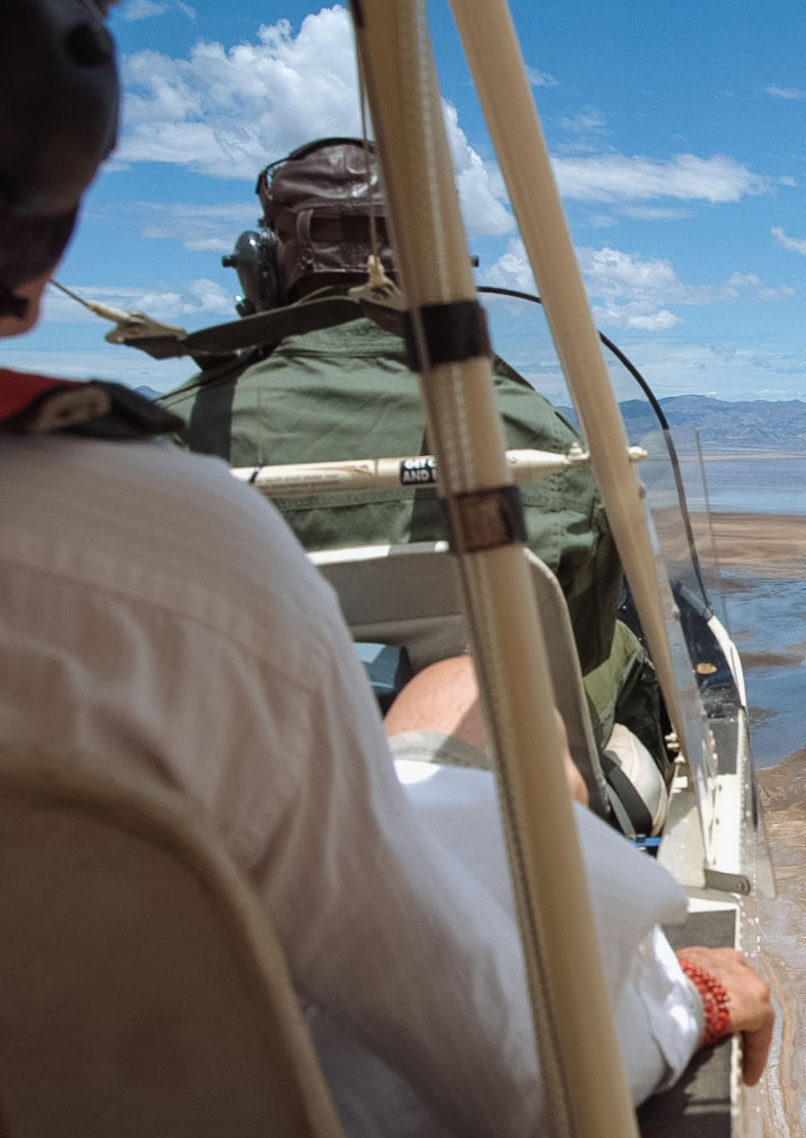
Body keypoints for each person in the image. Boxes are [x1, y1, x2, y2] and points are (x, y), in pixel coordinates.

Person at [0, 3, 772, 1135]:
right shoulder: (172, 538)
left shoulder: (176, 436)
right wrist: (689, 999)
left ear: (263, 269)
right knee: (474, 692)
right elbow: (500, 1054)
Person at [155, 137, 669, 829]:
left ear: (261, 271)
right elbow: (577, 643)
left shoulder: (165, 439)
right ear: (448, 267)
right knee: (628, 652)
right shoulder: (532, 432)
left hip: (224, 801)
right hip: (498, 816)